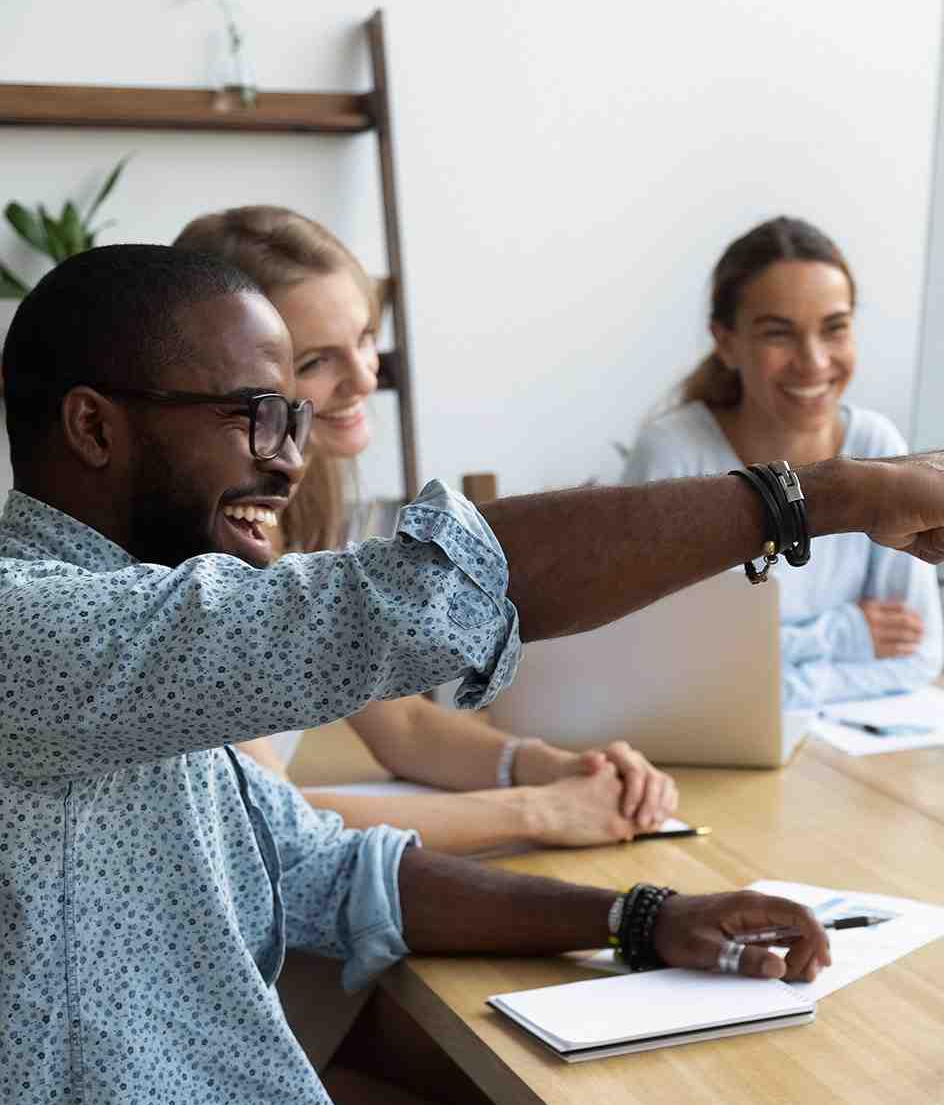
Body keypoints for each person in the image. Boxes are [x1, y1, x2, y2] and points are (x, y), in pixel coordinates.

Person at [0, 243, 944, 1105]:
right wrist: (823, 493)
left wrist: (641, 917)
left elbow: (331, 871)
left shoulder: (135, 650)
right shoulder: (34, 631)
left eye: (293, 419)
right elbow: (407, 599)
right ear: (94, 427)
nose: (289, 459)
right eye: (258, 418)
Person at [173, 205, 675, 855]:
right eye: (318, 360)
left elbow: (403, 723)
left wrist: (550, 767)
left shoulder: (300, 507)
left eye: (364, 337)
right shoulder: (195, 553)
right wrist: (540, 812)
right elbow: (264, 821)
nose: (363, 375)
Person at [622, 216, 943, 709]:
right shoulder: (673, 453)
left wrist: (774, 680)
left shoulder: (878, 445)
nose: (813, 361)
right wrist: (843, 636)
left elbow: (917, 654)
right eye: (779, 334)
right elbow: (661, 664)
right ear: (726, 343)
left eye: (834, 329)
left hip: (844, 755)